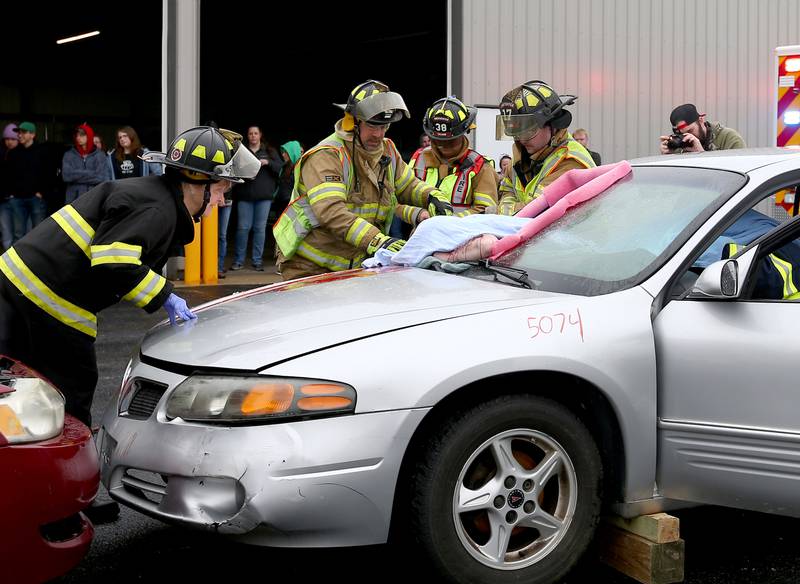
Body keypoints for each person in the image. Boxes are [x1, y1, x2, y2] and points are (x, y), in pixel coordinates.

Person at [0, 125, 259, 429]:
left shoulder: (153, 196)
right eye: (221, 191)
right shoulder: (157, 209)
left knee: (22, 384)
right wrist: (165, 295)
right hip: (46, 298)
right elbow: (113, 262)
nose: (221, 201)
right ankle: (67, 462)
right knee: (70, 390)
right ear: (198, 181)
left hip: (26, 288)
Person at [273, 80, 452, 280]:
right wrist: (377, 241)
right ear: (352, 121)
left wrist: (431, 196)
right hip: (309, 266)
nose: (378, 134)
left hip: (354, 267)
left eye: (384, 126)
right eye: (371, 125)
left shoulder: (388, 149)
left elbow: (408, 185)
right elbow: (332, 212)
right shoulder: (327, 155)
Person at [493, 80, 595, 215]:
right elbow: (507, 192)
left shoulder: (571, 162)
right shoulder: (520, 159)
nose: (521, 139)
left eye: (529, 131)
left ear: (553, 125)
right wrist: (505, 211)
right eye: (517, 133)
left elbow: (537, 209)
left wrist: (495, 212)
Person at [408, 96, 498, 216]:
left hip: (465, 234)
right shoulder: (419, 158)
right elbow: (400, 197)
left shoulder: (481, 166)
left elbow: (486, 211)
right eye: (437, 140)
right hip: (423, 233)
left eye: (450, 141)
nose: (443, 145)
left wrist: (449, 224)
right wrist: (418, 214)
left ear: (464, 132)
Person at [229, 126, 283, 271]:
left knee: (259, 229)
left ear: (260, 135)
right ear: (248, 136)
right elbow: (233, 168)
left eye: (255, 133)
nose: (253, 136)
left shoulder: (269, 151)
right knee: (243, 228)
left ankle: (257, 261)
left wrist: (268, 163)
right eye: (250, 133)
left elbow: (281, 168)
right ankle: (239, 261)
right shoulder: (242, 151)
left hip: (264, 197)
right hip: (244, 196)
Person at [6, 122, 48, 242]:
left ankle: (36, 261)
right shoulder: (13, 153)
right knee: (18, 234)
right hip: (17, 199)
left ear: (32, 135)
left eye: (23, 132)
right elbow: (7, 175)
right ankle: (18, 260)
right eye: (19, 132)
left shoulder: (41, 152)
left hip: (36, 198)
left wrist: (41, 192)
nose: (20, 135)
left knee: (38, 233)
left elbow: (48, 173)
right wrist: (11, 193)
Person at [660, 103, 746, 154]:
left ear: (701, 120)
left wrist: (701, 153)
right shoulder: (682, 144)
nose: (688, 136)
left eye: (690, 130)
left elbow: (739, 172)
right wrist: (669, 156)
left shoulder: (728, 138)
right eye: (682, 134)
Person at [61, 123, 112, 204]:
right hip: (73, 200)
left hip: (94, 199)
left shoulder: (99, 155)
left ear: (89, 136)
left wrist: (77, 175)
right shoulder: (69, 154)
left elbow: (102, 178)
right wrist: (92, 173)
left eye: (82, 135)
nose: (78, 138)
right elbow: (67, 176)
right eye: (77, 136)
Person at [0, 123, 19, 251]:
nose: (10, 142)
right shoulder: (1, 154)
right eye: (7, 139)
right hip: (3, 199)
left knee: (20, 231)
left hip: (20, 199)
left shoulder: (23, 155)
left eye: (13, 139)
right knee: (6, 231)